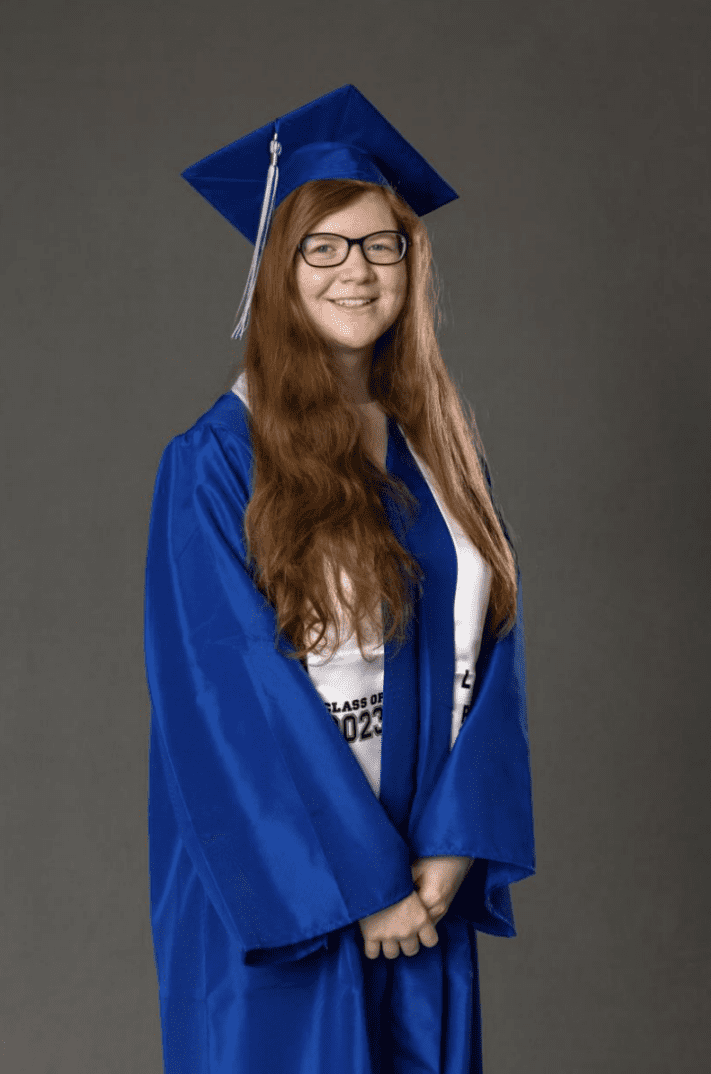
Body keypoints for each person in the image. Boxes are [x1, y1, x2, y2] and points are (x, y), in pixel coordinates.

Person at [144, 84, 535, 1074]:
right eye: (324, 247)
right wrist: (364, 885)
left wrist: (454, 844)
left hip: (421, 874)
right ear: (279, 271)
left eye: (379, 244)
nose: (355, 271)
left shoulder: (442, 450)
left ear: (411, 262)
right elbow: (223, 695)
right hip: (289, 892)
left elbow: (494, 650)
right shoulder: (218, 460)